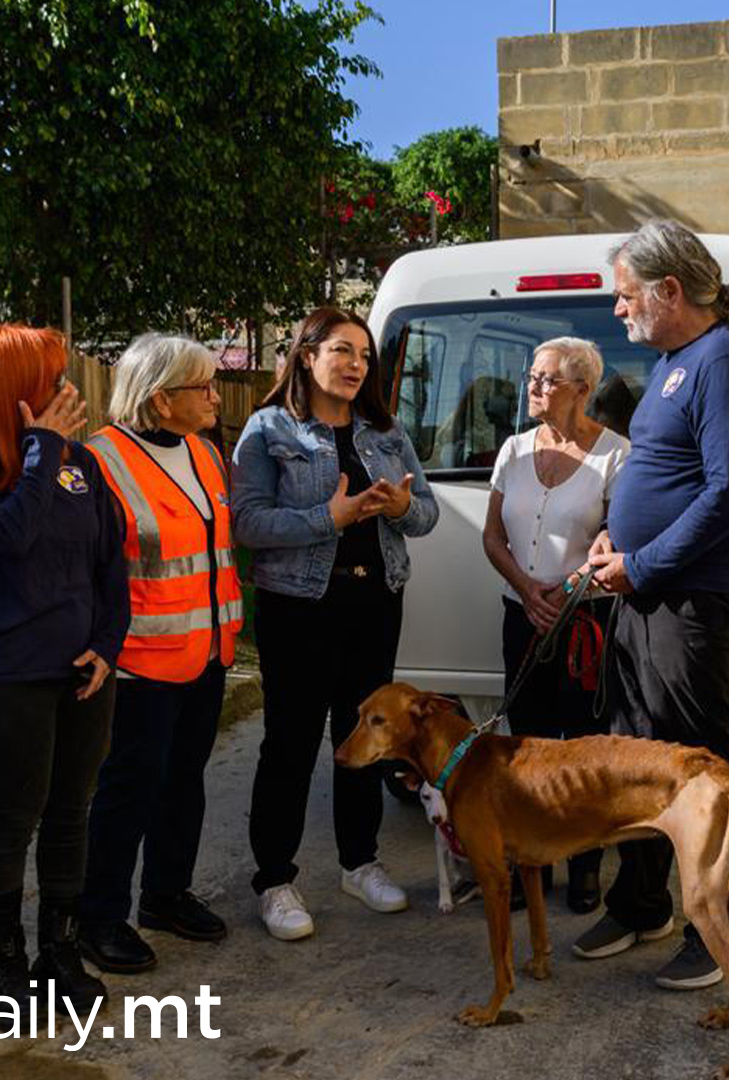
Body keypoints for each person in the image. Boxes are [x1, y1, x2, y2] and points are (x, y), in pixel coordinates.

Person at [571, 220, 729, 992]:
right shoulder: (675, 362)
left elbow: (726, 492)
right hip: (643, 590)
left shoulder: (724, 361)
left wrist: (642, 563)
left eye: (626, 298)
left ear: (669, 291)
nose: (618, 312)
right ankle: (642, 901)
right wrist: (614, 538)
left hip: (686, 599)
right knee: (635, 752)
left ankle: (717, 923)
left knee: (695, 766)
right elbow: (661, 471)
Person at [0, 324, 129, 1010]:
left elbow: (110, 566)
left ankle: (59, 952)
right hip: (5, 676)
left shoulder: (83, 466)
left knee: (72, 814)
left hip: (81, 675)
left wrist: (108, 645)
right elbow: (12, 536)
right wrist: (42, 446)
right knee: (15, 818)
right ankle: (6, 966)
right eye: (52, 379)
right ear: (16, 392)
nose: (67, 390)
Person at [232, 306, 439, 940]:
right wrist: (332, 517)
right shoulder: (269, 429)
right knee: (290, 743)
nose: (356, 365)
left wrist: (402, 506)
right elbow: (248, 524)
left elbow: (427, 514)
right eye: (343, 352)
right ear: (306, 355)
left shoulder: (385, 429)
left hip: (376, 601)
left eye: (364, 356)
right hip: (298, 607)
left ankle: (360, 862)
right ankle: (275, 880)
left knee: (367, 737)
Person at [75, 334, 244, 974]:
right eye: (200, 386)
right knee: (129, 789)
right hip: (139, 661)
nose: (213, 395)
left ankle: (166, 894)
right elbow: (87, 568)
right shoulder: (101, 461)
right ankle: (100, 916)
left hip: (206, 651)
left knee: (185, 781)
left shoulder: (204, 454)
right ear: (158, 398)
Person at [482, 336, 629, 914]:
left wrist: (564, 594)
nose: (533, 389)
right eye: (532, 378)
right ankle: (530, 866)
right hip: (522, 616)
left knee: (582, 749)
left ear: (582, 391)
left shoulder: (616, 454)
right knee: (526, 748)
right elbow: (492, 537)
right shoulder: (514, 448)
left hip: (584, 624)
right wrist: (527, 589)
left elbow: (616, 539)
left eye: (547, 380)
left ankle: (586, 865)